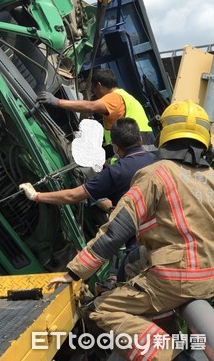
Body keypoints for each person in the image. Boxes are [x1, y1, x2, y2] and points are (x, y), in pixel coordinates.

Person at [47, 99, 214, 360]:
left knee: (101, 309)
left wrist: (74, 272)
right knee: (136, 261)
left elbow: (116, 230)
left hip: (174, 281)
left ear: (164, 133)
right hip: (208, 278)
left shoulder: (156, 174)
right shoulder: (211, 178)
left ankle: (170, 355)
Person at [19, 118, 157, 279]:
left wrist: (36, 195)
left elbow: (72, 195)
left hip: (141, 249)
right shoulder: (159, 160)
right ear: (140, 138)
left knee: (120, 284)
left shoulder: (116, 172)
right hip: (172, 241)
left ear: (115, 146)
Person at [37, 68, 155, 156]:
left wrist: (57, 101)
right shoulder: (126, 97)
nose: (95, 95)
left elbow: (91, 106)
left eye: (94, 91)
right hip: (143, 151)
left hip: (133, 152)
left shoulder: (114, 98)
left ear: (98, 85)